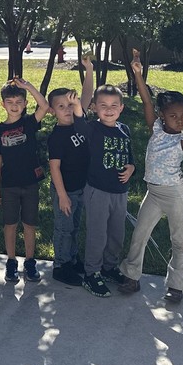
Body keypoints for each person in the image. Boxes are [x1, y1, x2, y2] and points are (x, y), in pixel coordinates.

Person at [117, 56, 183, 302]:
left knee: (178, 239)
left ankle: (176, 285)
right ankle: (132, 276)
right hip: (152, 193)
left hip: (176, 195)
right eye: (174, 115)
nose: (180, 120)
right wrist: (138, 74)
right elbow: (145, 99)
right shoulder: (155, 128)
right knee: (140, 233)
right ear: (163, 115)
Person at [0, 77, 50, 284]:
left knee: (29, 224)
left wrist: (28, 87)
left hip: (30, 183)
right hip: (8, 185)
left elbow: (44, 106)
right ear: (2, 104)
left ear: (24, 104)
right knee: (10, 224)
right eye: (10, 102)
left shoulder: (29, 123)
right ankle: (12, 262)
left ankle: (30, 262)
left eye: (18, 102)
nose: (14, 106)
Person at [79, 80, 135, 299]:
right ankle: (91, 273)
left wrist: (132, 167)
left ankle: (109, 267)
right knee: (98, 234)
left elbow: (129, 157)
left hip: (120, 192)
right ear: (94, 107)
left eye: (114, 105)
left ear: (121, 107)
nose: (109, 110)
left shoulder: (125, 129)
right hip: (98, 191)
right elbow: (78, 118)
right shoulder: (92, 128)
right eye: (103, 105)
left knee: (116, 234)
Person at [45, 58, 95, 286]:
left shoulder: (79, 122)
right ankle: (60, 266)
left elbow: (86, 96)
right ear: (52, 111)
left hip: (80, 187)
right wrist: (62, 195)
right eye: (61, 106)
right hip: (64, 190)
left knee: (74, 227)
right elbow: (54, 167)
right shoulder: (56, 137)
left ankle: (72, 259)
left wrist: (89, 70)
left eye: (69, 105)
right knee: (63, 228)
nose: (67, 110)